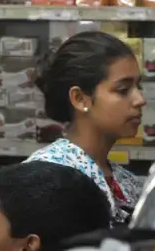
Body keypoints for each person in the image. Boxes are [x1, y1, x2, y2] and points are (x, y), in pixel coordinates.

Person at [31, 31, 147, 224]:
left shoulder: (127, 182)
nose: (140, 100)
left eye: (138, 87)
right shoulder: (47, 178)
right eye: (123, 90)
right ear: (79, 98)